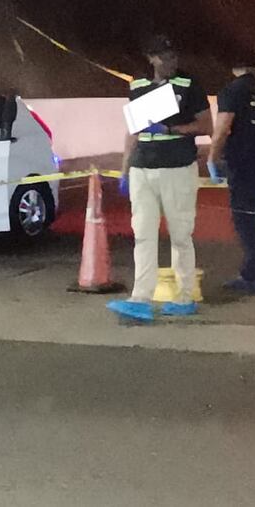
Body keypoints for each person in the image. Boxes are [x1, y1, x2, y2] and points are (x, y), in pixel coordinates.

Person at [107, 35, 212, 322]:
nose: (171, 61)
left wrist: (172, 130)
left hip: (177, 167)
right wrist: (125, 168)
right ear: (151, 58)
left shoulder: (189, 85)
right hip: (143, 168)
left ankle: (185, 295)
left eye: (173, 56)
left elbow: (206, 125)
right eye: (164, 57)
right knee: (142, 234)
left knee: (180, 234)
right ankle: (141, 297)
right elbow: (133, 130)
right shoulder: (138, 85)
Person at [208, 48, 255, 295]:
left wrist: (212, 157)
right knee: (251, 215)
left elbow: (223, 128)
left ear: (234, 68)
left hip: (240, 160)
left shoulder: (232, 91)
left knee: (244, 218)